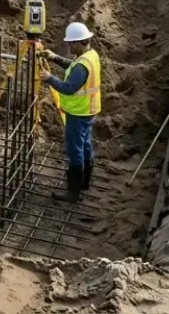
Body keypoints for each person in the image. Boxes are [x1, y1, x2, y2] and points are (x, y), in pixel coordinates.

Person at [40, 22, 101, 203]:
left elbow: (68, 88)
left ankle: (73, 193)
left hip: (78, 113)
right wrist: (55, 58)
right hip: (88, 110)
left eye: (71, 43)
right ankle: (84, 183)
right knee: (85, 145)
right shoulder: (90, 55)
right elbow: (73, 67)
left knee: (75, 151)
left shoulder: (83, 65)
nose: (69, 46)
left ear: (81, 42)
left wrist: (49, 78)